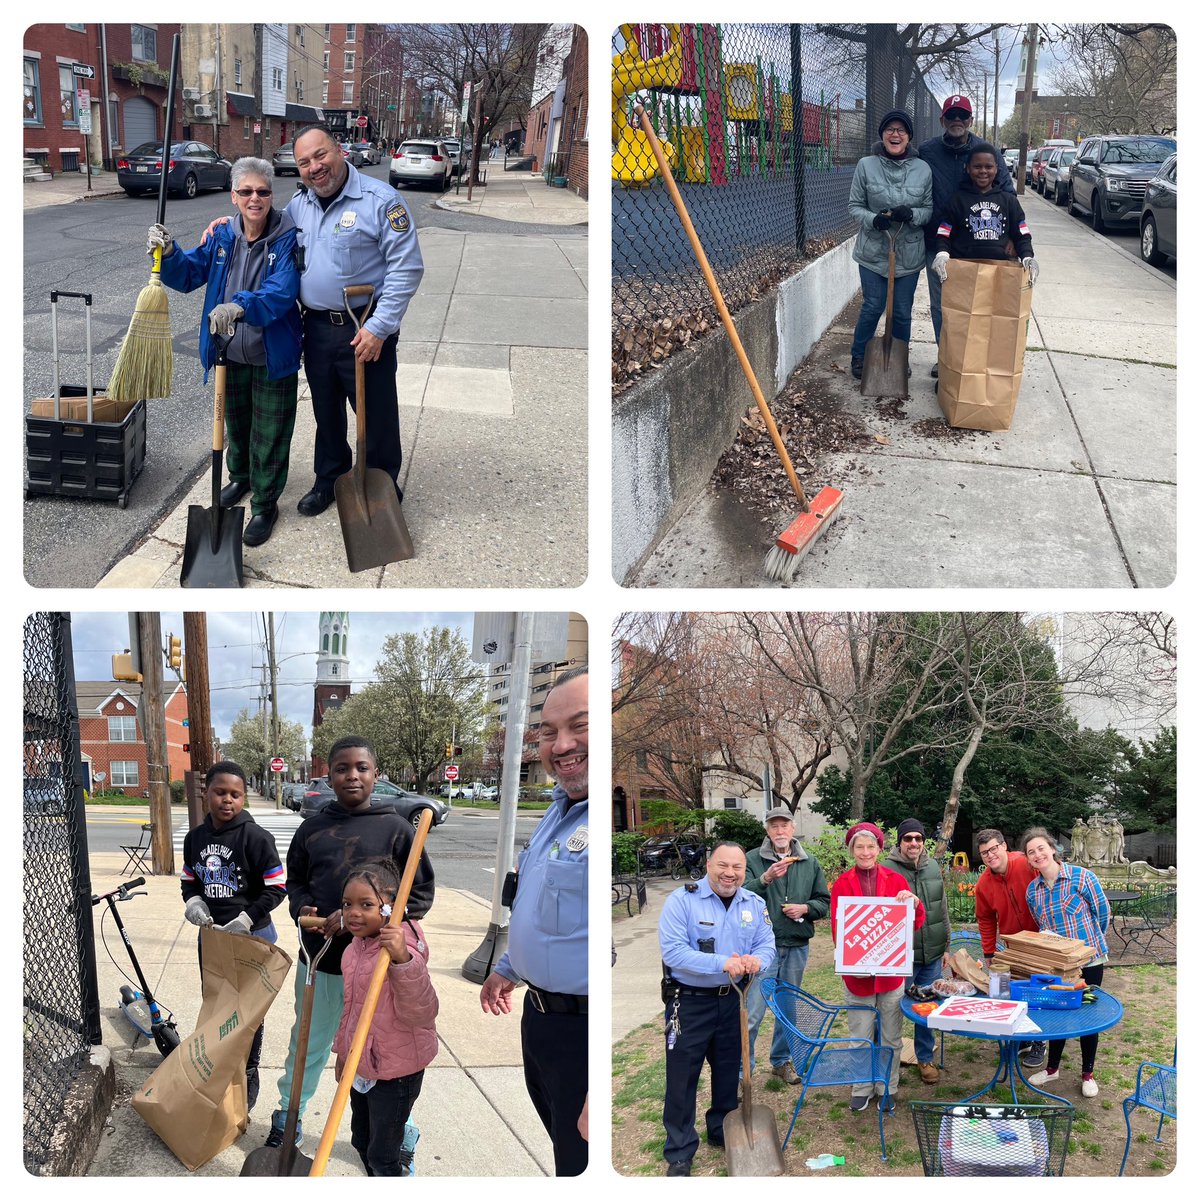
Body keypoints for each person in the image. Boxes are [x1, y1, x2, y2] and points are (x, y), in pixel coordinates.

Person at [203, 123, 423, 519]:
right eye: (304, 162)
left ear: (339, 150)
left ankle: (381, 485)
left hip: (364, 327)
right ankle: (330, 477)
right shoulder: (300, 207)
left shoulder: (380, 201)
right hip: (317, 327)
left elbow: (406, 269)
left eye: (320, 155)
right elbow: (262, 220)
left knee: (375, 413)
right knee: (326, 410)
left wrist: (379, 327)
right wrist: (227, 222)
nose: (314, 167)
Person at [264, 735, 435, 1149]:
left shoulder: (396, 828)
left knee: (386, 1053)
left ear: (376, 775)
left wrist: (373, 923)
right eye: (342, 768)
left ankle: (398, 1126)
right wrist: (306, 910)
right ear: (329, 775)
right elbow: (297, 883)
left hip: (377, 970)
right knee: (308, 1042)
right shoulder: (312, 828)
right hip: (322, 961)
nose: (352, 775)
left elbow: (419, 893)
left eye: (362, 767)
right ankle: (290, 1113)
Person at [150, 158, 302, 546]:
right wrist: (168, 252)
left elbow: (283, 291)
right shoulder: (221, 237)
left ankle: (266, 504)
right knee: (235, 425)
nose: (255, 198)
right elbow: (188, 275)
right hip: (227, 353)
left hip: (272, 355)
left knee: (269, 435)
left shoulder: (287, 237)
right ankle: (240, 479)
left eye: (263, 191)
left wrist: (240, 306)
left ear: (272, 195)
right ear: (233, 196)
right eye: (247, 191)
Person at [479, 668, 589, 1176]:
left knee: (583, 1162)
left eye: (580, 726)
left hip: (583, 1034)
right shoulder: (557, 812)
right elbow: (541, 908)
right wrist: (510, 965)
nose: (561, 744)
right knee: (564, 1151)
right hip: (541, 1020)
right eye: (548, 731)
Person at [658, 841, 775, 1176]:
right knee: (682, 1078)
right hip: (689, 1001)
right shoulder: (683, 901)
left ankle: (722, 1129)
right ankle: (679, 1150)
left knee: (727, 1072)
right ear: (709, 864)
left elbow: (767, 944)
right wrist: (723, 962)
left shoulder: (753, 902)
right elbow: (674, 953)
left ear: (744, 870)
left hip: (732, 999)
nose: (730, 874)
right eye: (723, 866)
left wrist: (757, 960)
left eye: (737, 868)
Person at [181, 759, 287, 1110]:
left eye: (236, 794)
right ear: (206, 793)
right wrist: (194, 901)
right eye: (220, 792)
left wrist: (246, 917)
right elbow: (189, 880)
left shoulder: (255, 837)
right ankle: (218, 1072)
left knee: (248, 1014)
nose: (228, 800)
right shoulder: (195, 838)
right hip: (212, 938)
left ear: (244, 798)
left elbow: (276, 887)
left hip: (252, 937)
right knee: (218, 1007)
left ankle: (248, 1072)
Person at [333, 858, 438, 1176]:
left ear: (393, 907)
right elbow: (351, 1010)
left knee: (383, 1155)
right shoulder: (355, 948)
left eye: (366, 904)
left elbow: (423, 1010)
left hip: (396, 1072)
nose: (353, 912)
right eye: (348, 903)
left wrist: (403, 961)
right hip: (361, 1065)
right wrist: (343, 1053)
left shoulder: (403, 948)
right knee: (361, 1141)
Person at [829, 822, 926, 1113]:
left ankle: (887, 1086)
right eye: (859, 846)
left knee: (891, 1037)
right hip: (857, 978)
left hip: (890, 977)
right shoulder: (842, 884)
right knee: (860, 1035)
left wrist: (914, 902)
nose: (866, 852)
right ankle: (862, 1086)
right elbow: (839, 929)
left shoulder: (896, 880)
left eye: (871, 846)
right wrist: (854, 959)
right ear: (852, 850)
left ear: (879, 849)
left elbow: (915, 922)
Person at [918, 95, 1016, 373]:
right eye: (952, 116)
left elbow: (1007, 194)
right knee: (942, 306)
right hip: (938, 242)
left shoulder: (986, 152)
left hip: (979, 243)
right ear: (943, 120)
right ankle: (947, 358)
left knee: (979, 305)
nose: (957, 121)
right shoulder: (927, 150)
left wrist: (1011, 236)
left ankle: (975, 360)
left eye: (963, 116)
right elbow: (903, 163)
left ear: (971, 120)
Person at [742, 807, 830, 1083]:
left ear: (793, 829)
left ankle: (780, 1062)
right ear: (767, 830)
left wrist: (805, 908)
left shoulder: (809, 862)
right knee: (753, 1012)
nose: (780, 831)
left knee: (787, 1009)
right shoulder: (753, 859)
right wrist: (766, 879)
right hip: (761, 948)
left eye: (784, 826)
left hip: (795, 944)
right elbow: (739, 896)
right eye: (774, 826)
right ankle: (743, 1072)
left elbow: (823, 902)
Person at [1022, 826, 1111, 1098]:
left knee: (1087, 1016)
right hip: (1058, 965)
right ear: (1028, 860)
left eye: (1041, 848)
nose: (1037, 855)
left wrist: (1090, 947)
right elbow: (1041, 925)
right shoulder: (1033, 891)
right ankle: (1052, 1069)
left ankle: (1088, 1073)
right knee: (1057, 1014)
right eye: (1030, 852)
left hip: (1090, 962)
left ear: (1052, 849)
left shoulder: (1082, 878)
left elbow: (1103, 913)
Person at [847, 109, 932, 380]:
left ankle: (898, 357)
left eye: (901, 130)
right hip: (874, 250)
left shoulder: (923, 169)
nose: (895, 134)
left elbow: (929, 209)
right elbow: (855, 206)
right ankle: (859, 356)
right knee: (873, 305)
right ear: (882, 135)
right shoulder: (866, 165)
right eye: (890, 130)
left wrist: (914, 214)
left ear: (909, 137)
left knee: (902, 312)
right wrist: (873, 220)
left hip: (907, 252)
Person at [885, 818, 951, 1084]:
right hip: (902, 955)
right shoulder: (886, 870)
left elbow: (941, 908)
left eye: (918, 838)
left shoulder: (932, 866)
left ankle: (925, 1058)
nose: (914, 843)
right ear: (900, 841)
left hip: (932, 953)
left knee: (928, 1009)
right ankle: (888, 1059)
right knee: (893, 1008)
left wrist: (946, 945)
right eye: (908, 838)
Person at [973, 827, 1045, 1068]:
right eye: (985, 853)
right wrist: (989, 952)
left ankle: (1039, 1041)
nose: (990, 855)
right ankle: (1019, 1037)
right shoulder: (984, 884)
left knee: (1039, 992)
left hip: (1040, 940)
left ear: (1004, 846)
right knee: (1012, 993)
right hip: (1012, 944)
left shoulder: (1026, 864)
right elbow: (984, 919)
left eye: (994, 848)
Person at [931, 142, 1038, 295]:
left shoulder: (1009, 201)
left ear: (997, 169)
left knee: (999, 317)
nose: (983, 171)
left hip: (1001, 272)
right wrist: (942, 253)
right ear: (968, 169)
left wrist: (1028, 256)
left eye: (988, 167)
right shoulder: (957, 200)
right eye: (977, 166)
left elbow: (1022, 233)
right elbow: (944, 233)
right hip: (964, 270)